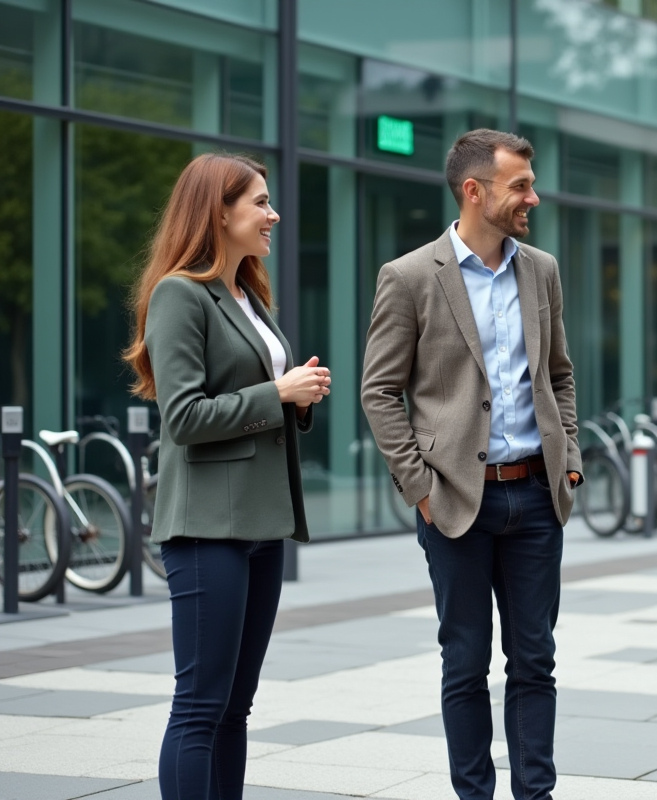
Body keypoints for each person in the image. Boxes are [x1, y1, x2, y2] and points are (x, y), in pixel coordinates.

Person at [360, 129, 582, 800]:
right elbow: (379, 390)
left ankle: (534, 795)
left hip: (536, 499)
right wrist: (419, 485)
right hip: (457, 501)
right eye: (520, 186)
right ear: (474, 191)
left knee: (535, 660)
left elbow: (560, 374)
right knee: (464, 663)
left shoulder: (540, 269)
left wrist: (566, 456)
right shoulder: (408, 277)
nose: (533, 198)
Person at [123, 153, 331, 800]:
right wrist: (279, 391)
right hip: (207, 526)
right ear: (218, 210)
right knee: (200, 705)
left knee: (236, 707)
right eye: (260, 202)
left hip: (261, 523)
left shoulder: (248, 295)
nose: (273, 215)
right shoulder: (179, 294)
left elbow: (257, 404)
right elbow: (183, 416)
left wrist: (295, 399)